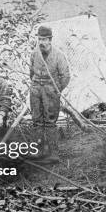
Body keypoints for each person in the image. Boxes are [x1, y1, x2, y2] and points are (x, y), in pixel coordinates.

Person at [29, 26, 71, 164]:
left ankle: (53, 153)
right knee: (36, 121)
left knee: (50, 122)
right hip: (36, 91)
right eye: (39, 39)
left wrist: (56, 90)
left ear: (50, 40)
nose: (41, 42)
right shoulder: (35, 54)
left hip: (51, 92)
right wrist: (36, 86)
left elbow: (65, 76)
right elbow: (31, 73)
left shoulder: (59, 55)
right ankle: (39, 151)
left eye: (44, 39)